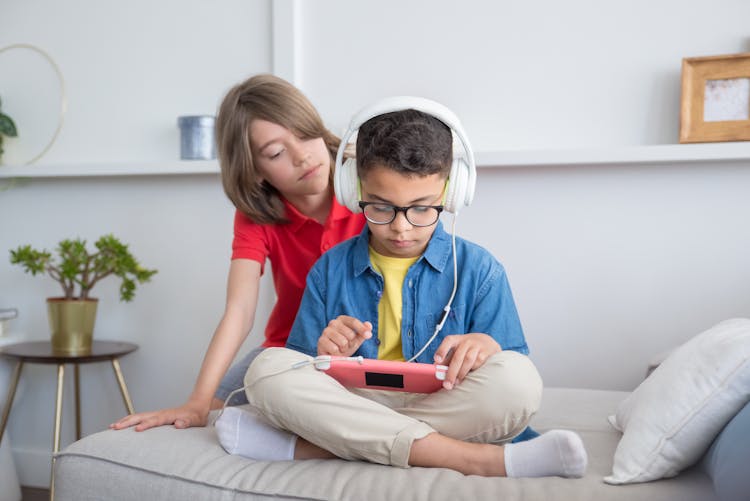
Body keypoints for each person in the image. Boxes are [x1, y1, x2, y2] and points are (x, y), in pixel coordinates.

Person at [214, 101, 588, 478]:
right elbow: (301, 365)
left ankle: (322, 447)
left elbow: (511, 361)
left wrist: (487, 347)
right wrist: (324, 353)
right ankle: (469, 458)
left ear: (450, 194)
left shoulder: (479, 268)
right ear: (354, 190)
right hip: (357, 399)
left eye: (422, 209)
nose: (401, 228)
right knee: (267, 370)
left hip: (445, 401)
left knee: (519, 381)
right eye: (380, 208)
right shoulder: (329, 269)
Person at [110, 74, 365, 432]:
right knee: (218, 414)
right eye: (276, 153)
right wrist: (198, 402)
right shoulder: (256, 214)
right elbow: (240, 309)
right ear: (256, 171)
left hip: (364, 346)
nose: (302, 155)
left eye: (307, 134)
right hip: (288, 351)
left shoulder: (369, 182)